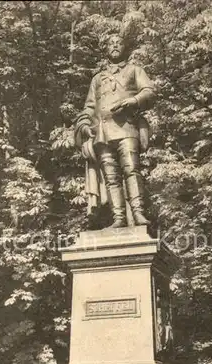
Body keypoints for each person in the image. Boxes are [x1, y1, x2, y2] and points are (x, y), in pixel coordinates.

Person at [74, 33, 155, 228]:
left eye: (119, 43)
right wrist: (84, 124)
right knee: (110, 177)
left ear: (125, 48)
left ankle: (138, 214)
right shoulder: (97, 78)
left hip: (127, 128)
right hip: (102, 133)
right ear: (106, 50)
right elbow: (89, 107)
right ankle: (118, 218)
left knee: (132, 170)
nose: (115, 46)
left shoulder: (135, 70)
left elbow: (150, 91)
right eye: (111, 44)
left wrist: (132, 100)